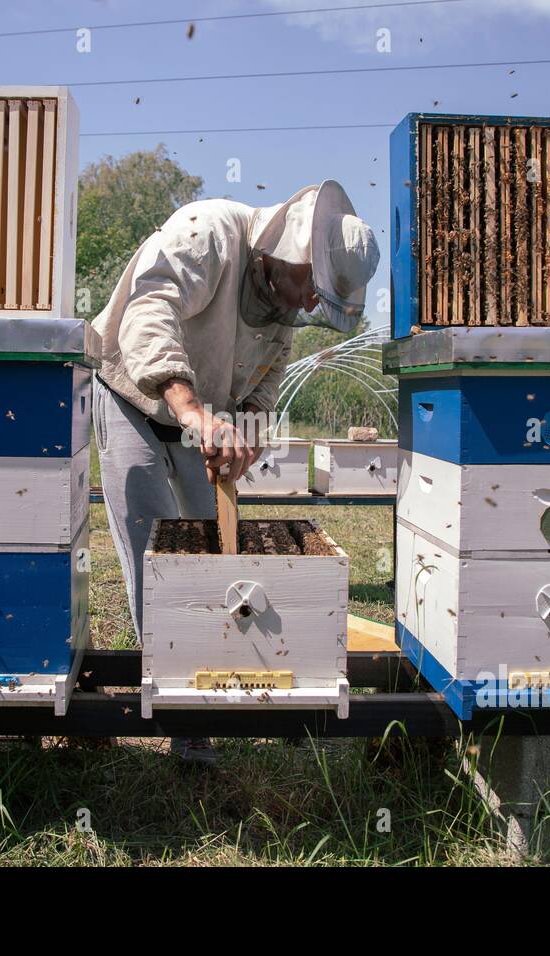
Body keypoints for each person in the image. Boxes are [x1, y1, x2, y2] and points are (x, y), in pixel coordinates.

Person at [91, 180, 380, 764]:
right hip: (133, 398)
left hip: (207, 418)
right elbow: (151, 308)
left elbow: (269, 374)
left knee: (210, 541)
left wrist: (246, 428)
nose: (306, 303)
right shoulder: (208, 231)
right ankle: (178, 705)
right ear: (288, 249)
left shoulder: (285, 295)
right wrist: (190, 407)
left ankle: (213, 672)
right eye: (308, 286)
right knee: (155, 551)